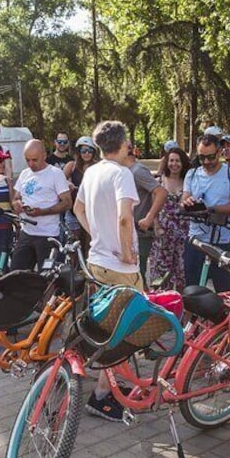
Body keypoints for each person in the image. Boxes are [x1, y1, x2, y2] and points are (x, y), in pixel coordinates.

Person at [73, 120, 141, 421]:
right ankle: (103, 394)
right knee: (127, 330)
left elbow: (78, 209)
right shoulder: (121, 174)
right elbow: (126, 219)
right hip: (120, 266)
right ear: (123, 142)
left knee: (103, 324)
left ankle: (109, 382)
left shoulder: (91, 172)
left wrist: (97, 234)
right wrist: (127, 252)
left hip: (97, 260)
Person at [181, 134, 230, 292]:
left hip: (223, 241)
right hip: (196, 241)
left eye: (211, 157)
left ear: (219, 152)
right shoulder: (192, 173)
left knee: (228, 293)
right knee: (192, 292)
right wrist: (188, 204)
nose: (207, 162)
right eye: (202, 157)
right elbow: (183, 202)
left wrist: (210, 209)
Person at [11, 139, 72, 271]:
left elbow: (67, 202)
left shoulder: (55, 173)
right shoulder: (24, 173)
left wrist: (43, 211)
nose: (31, 164)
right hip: (26, 232)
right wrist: (17, 204)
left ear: (44, 156)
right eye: (27, 160)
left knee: (46, 275)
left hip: (47, 235)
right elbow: (16, 197)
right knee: (16, 273)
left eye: (34, 160)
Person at [148, 148, 191, 291]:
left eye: (177, 160)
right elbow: (153, 207)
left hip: (183, 233)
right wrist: (156, 226)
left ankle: (180, 305)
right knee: (161, 272)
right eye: (171, 160)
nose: (174, 164)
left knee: (182, 271)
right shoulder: (159, 181)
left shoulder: (188, 181)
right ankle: (159, 304)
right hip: (163, 233)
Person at [128, 144, 168, 282]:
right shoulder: (122, 171)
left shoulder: (137, 171)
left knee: (138, 276)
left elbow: (161, 192)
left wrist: (149, 218)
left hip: (140, 233)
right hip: (127, 231)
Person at [63, 136, 101, 253]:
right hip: (74, 211)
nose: (86, 154)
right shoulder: (72, 166)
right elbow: (59, 181)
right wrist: (68, 183)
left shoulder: (98, 166)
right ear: (78, 152)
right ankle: (74, 269)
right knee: (73, 245)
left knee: (91, 244)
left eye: (90, 151)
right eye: (83, 151)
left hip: (92, 211)